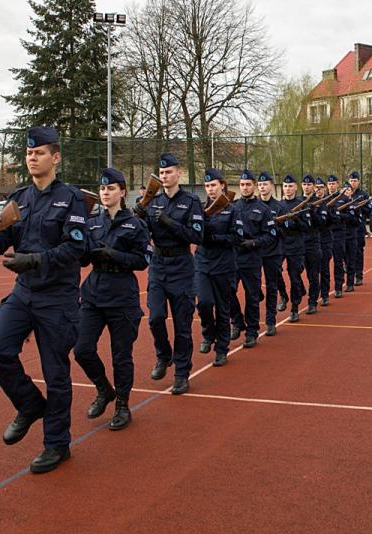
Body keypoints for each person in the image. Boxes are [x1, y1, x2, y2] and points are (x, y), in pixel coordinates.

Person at [0, 126, 87, 474]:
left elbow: (76, 248)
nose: (33, 158)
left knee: (56, 373)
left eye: (39, 153)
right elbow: (0, 242)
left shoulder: (72, 198)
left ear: (56, 157)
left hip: (57, 298)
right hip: (24, 293)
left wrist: (35, 260)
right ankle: (29, 404)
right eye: (29, 154)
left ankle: (57, 444)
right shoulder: (19, 199)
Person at [74, 168, 149, 431]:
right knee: (82, 349)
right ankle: (104, 389)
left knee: (121, 356)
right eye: (102, 189)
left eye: (111, 189)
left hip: (122, 295)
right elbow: (82, 258)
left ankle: (122, 405)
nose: (105, 193)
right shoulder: (92, 223)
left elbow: (143, 260)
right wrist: (78, 242)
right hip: (94, 293)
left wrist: (114, 255)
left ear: (122, 192)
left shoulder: (136, 224)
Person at [135, 152, 203, 395]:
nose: (164, 176)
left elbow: (197, 235)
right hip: (159, 264)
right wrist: (138, 218)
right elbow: (140, 234)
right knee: (154, 318)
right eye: (161, 173)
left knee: (183, 325)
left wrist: (168, 222)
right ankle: (164, 356)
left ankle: (182, 374)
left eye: (168, 172)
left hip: (182, 266)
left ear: (179, 173)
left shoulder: (191, 201)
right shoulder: (152, 200)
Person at [196, 168, 244, 365]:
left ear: (222, 185)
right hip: (202, 262)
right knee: (204, 303)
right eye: (207, 186)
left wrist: (216, 238)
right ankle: (208, 334)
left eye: (213, 185)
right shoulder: (199, 208)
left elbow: (238, 237)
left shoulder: (232, 210)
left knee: (223, 308)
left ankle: (221, 349)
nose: (210, 189)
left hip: (223, 264)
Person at [230, 170, 277, 345]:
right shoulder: (233, 206)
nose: (245, 187)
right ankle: (236, 321)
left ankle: (251, 331)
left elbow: (271, 234)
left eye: (248, 184)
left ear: (254, 186)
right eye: (242, 184)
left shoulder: (263, 209)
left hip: (252, 258)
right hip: (233, 258)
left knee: (252, 296)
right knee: (227, 292)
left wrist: (254, 243)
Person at [257, 172, 288, 335]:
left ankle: (270, 320)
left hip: (273, 252)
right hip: (254, 251)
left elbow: (286, 231)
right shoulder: (253, 205)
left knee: (271, 285)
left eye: (265, 184)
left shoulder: (279, 207)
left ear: (271, 186)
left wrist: (276, 228)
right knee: (254, 287)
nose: (262, 187)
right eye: (260, 184)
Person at [281, 174, 310, 320]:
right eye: (285, 186)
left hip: (296, 245)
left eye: (290, 186)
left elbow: (307, 227)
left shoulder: (302, 204)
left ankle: (294, 308)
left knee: (294, 277)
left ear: (295, 188)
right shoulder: (279, 205)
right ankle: (283, 295)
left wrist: (297, 219)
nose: (287, 189)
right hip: (281, 244)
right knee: (274, 273)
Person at [300, 174, 323, 314]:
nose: (307, 187)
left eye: (309, 184)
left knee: (313, 274)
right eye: (304, 184)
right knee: (294, 272)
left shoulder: (319, 202)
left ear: (314, 186)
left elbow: (322, 223)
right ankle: (300, 289)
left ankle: (312, 301)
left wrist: (313, 212)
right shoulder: (297, 201)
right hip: (298, 243)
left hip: (313, 242)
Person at [347, 171, 370, 285]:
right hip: (347, 228)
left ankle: (358, 275)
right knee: (346, 253)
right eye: (351, 181)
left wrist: (359, 208)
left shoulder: (363, 195)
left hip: (359, 227)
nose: (353, 183)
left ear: (358, 182)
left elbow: (368, 210)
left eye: (355, 181)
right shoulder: (345, 193)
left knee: (358, 252)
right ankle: (349, 269)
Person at [327, 176, 348, 297]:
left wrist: (338, 215)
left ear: (337, 184)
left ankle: (338, 286)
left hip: (338, 232)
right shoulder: (323, 199)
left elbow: (351, 216)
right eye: (329, 183)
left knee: (338, 260)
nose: (331, 186)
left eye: (333, 183)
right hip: (325, 233)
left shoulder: (344, 199)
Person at [314, 178, 333, 306]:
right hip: (311, 241)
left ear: (325, 188)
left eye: (321, 187)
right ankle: (314, 294)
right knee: (313, 271)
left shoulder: (328, 203)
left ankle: (325, 294)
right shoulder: (309, 202)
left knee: (324, 269)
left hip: (325, 239)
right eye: (317, 187)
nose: (318, 190)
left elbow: (326, 221)